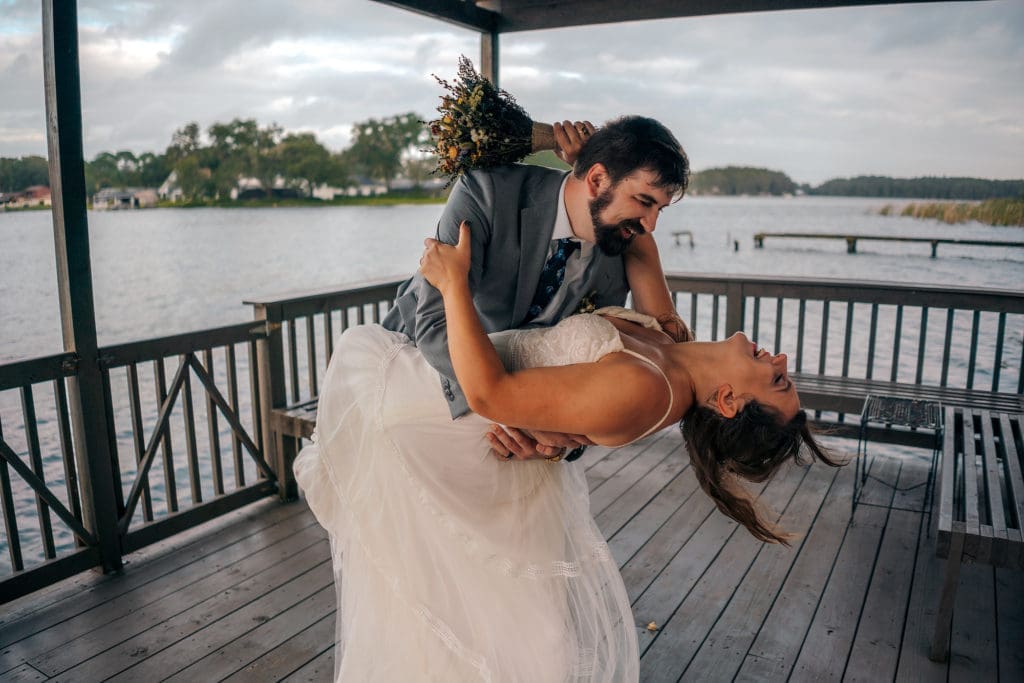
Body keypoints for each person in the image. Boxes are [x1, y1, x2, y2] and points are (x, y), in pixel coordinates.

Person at [294, 221, 839, 681]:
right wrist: (584, 160)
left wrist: (453, 284)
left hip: (443, 413)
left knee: (498, 630)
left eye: (779, 383)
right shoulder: (674, 345)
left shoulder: (647, 389)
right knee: (479, 621)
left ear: (727, 401)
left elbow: (490, 394)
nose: (781, 361)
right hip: (459, 412)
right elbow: (639, 240)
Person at [381, 115, 692, 460]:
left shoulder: (619, 246)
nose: (651, 225)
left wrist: (556, 442)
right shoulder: (486, 193)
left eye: (660, 209)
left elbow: (593, 367)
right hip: (419, 371)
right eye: (645, 202)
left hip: (511, 424)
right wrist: (518, 411)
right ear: (598, 178)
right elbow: (435, 322)